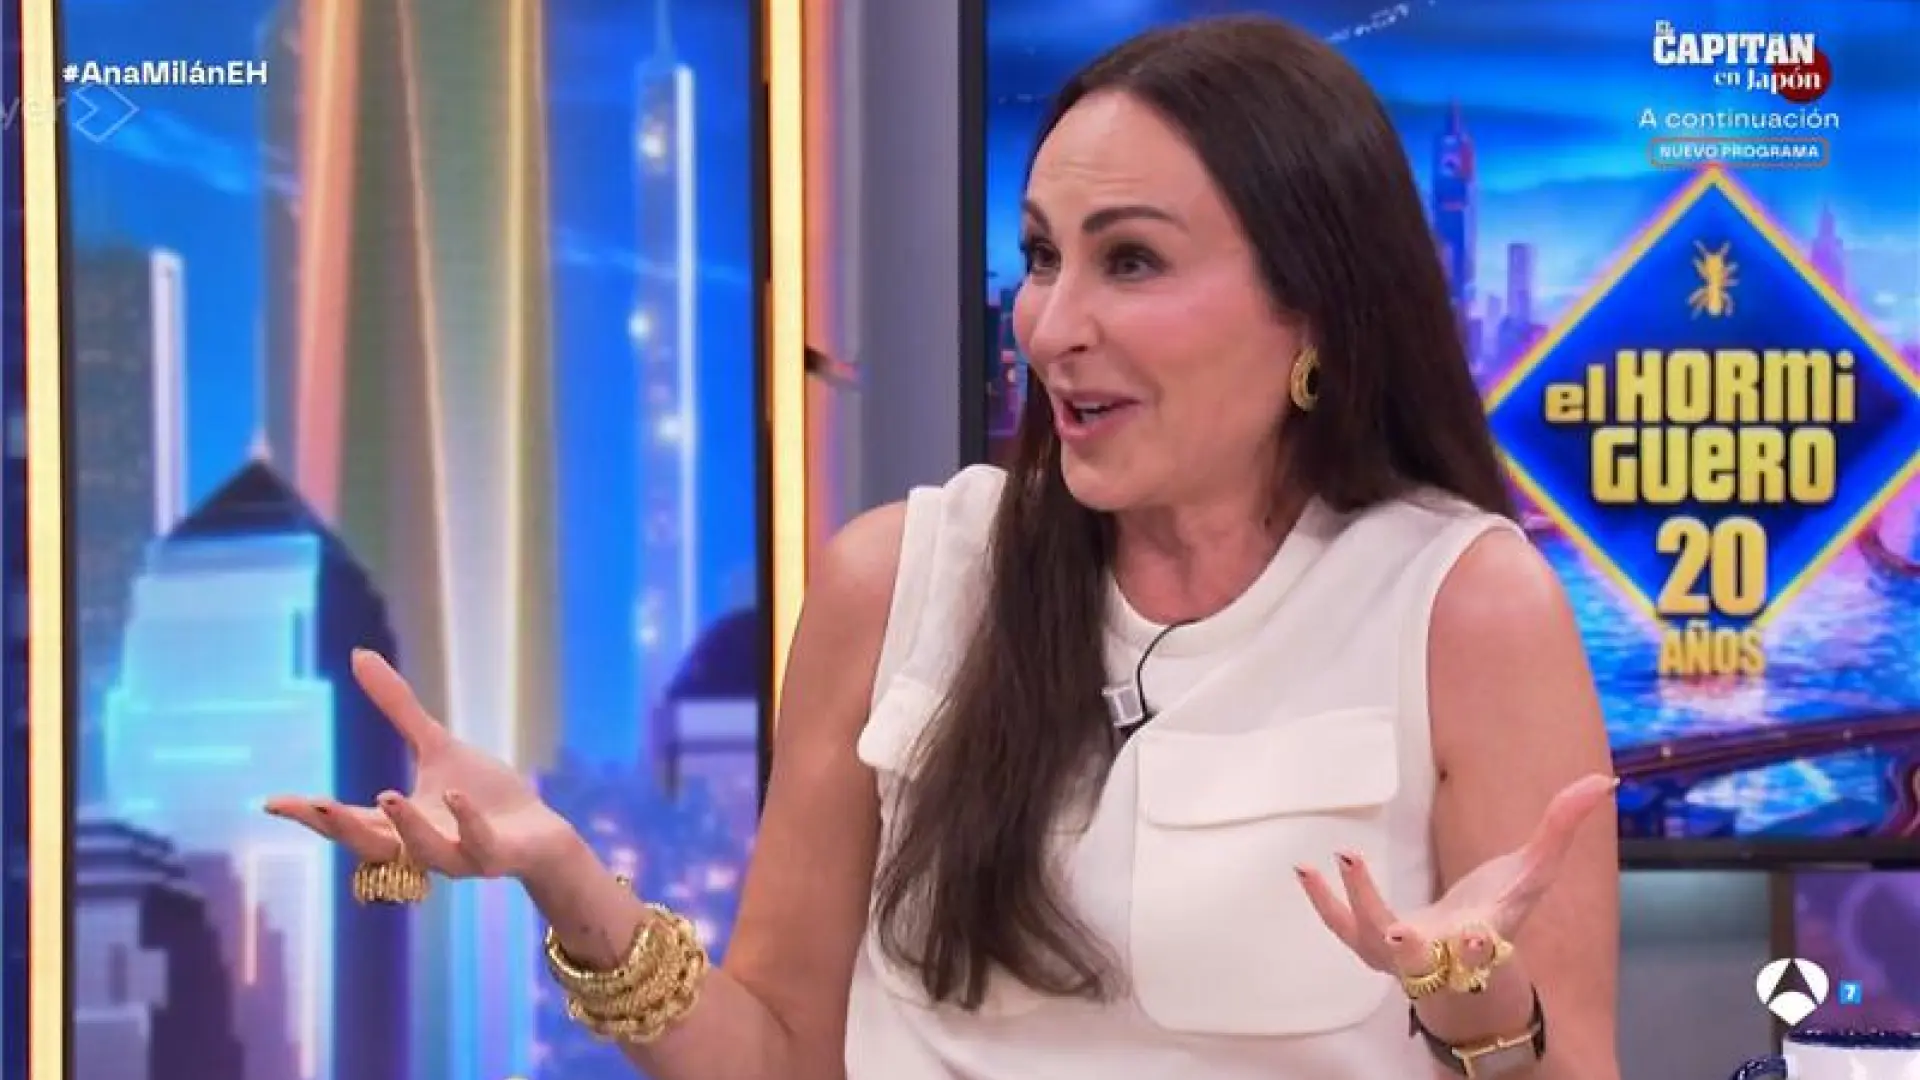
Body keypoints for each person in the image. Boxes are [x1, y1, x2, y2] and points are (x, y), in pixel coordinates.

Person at [267, 14, 1621, 1079]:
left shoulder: (1461, 605)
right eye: (1041, 257)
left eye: (1130, 262)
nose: (1051, 325)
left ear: (1313, 306)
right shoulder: (894, 579)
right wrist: (566, 878)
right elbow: (778, 1056)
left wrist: (1473, 998)